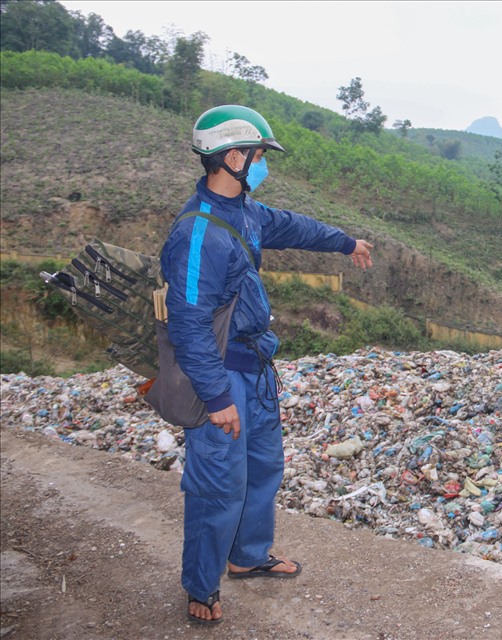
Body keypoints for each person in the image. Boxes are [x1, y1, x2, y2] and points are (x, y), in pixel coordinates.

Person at [160, 104, 374, 624]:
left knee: (262, 470)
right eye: (258, 156)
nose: (262, 165)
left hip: (256, 372)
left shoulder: (246, 213)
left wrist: (347, 243)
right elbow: (187, 324)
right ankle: (201, 585)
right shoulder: (197, 234)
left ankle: (248, 556)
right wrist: (215, 398)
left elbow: (294, 227)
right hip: (222, 373)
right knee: (218, 486)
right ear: (233, 157)